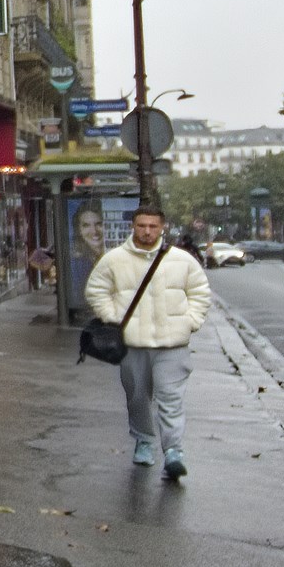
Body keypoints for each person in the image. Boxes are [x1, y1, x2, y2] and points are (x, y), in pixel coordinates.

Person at [83, 202, 211, 482]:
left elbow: (200, 292)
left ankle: (174, 451)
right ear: (133, 226)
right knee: (138, 396)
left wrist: (190, 321)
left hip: (172, 344)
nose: (147, 231)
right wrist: (112, 318)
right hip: (133, 343)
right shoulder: (114, 259)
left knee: (170, 398)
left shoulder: (182, 259)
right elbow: (96, 290)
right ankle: (143, 440)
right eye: (142, 225)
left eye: (153, 226)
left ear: (162, 227)